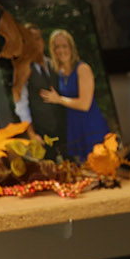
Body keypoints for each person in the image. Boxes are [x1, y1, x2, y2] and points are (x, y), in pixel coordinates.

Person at [39, 29, 111, 162]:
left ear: (71, 48)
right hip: (75, 126)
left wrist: (59, 99)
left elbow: (85, 104)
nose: (61, 50)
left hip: (90, 125)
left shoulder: (82, 68)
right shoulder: (60, 73)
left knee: (101, 164)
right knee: (84, 169)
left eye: (64, 46)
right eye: (57, 47)